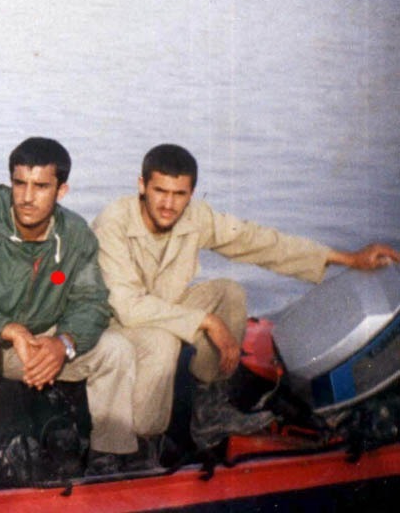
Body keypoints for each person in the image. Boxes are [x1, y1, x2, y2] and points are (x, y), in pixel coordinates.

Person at [91, 143, 400, 452]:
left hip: (162, 309)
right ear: (142, 185)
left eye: (179, 194)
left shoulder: (194, 216)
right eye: (160, 191)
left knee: (230, 294)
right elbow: (128, 307)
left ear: (191, 193)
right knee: (161, 343)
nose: (169, 205)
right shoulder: (113, 223)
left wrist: (345, 258)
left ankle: (209, 412)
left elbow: (257, 242)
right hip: (115, 323)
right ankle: (141, 443)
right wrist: (207, 321)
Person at [0, 137, 139, 483]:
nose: (26, 197)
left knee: (116, 348)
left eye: (40, 186)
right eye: (19, 184)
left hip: (34, 347)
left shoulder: (76, 234)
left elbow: (92, 302)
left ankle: (107, 459)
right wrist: (8, 328)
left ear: (62, 190)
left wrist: (63, 343)